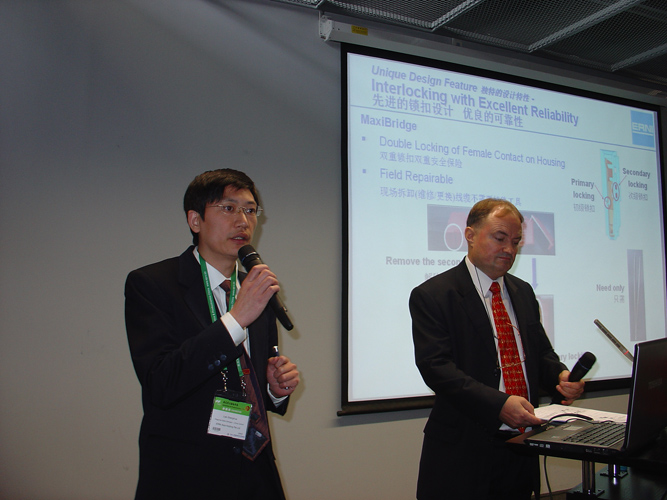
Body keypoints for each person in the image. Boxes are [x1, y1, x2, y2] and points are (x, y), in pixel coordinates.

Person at [125, 168, 299, 500]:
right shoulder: (153, 284)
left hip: (254, 471)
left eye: (250, 210)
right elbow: (161, 382)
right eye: (229, 208)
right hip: (186, 474)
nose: (243, 221)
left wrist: (274, 388)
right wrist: (236, 319)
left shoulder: (253, 288)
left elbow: (247, 381)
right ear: (195, 220)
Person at [409, 198, 584, 500]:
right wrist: (499, 405)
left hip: (520, 449)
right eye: (500, 238)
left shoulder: (522, 291)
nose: (509, 249)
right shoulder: (434, 295)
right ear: (470, 235)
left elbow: (540, 354)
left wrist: (560, 377)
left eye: (515, 242)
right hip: (462, 453)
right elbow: (436, 368)